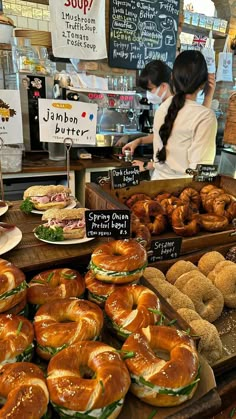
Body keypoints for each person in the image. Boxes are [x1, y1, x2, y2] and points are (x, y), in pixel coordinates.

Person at [131, 50, 217, 179]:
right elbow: (201, 172)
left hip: (156, 186)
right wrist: (208, 96)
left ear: (172, 78)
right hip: (183, 194)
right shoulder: (205, 116)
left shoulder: (163, 109)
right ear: (203, 83)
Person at [118, 60, 172, 152]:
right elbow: (159, 135)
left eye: (150, 89)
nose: (148, 94)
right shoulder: (163, 107)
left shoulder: (171, 109)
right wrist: (139, 140)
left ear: (163, 86)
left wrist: (149, 165)